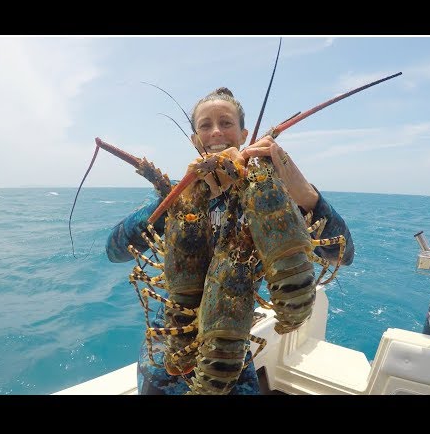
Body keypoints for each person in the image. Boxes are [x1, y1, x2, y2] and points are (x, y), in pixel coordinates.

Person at [106, 87, 355, 395]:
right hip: (169, 347)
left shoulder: (274, 189)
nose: (216, 132)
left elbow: (342, 254)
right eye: (205, 125)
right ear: (195, 140)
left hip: (231, 346)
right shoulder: (176, 198)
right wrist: (164, 205)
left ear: (244, 133)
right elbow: (115, 251)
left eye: (226, 123)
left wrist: (304, 193)